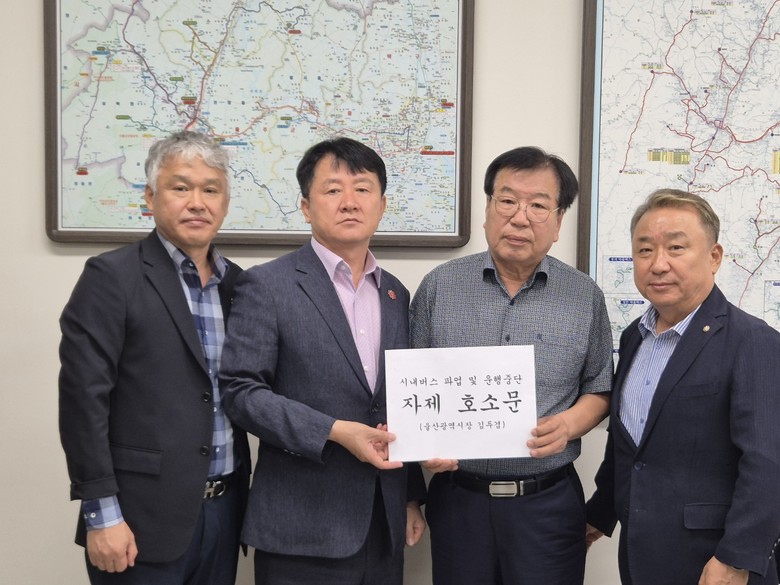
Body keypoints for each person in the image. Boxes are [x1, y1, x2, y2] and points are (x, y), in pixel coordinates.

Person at [219, 136, 426, 585]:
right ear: (306, 207)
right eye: (333, 190)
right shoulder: (267, 285)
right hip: (302, 528)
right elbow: (240, 392)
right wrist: (333, 431)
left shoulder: (396, 293)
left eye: (363, 189)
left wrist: (410, 496)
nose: (349, 201)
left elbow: (399, 400)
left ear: (382, 205)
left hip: (384, 523)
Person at [410, 146, 613, 585]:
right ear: (487, 208)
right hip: (459, 500)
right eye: (507, 200)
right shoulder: (438, 287)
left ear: (558, 222)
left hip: (547, 505)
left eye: (538, 205)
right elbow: (408, 389)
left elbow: (600, 388)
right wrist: (420, 445)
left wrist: (569, 425)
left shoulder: (584, 296)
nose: (520, 218)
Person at [58, 130, 250, 585]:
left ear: (225, 203)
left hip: (225, 512)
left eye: (210, 190)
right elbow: (83, 401)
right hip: (138, 519)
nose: (197, 203)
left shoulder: (239, 286)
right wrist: (102, 514)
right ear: (150, 196)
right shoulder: (111, 277)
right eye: (180, 187)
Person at [585, 189, 780, 585]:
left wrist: (736, 558)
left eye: (676, 247)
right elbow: (629, 446)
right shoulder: (634, 337)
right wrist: (599, 514)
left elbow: (767, 463)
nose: (659, 264)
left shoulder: (752, 340)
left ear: (714, 257)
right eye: (644, 250)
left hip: (714, 562)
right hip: (641, 553)